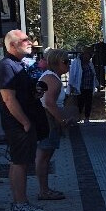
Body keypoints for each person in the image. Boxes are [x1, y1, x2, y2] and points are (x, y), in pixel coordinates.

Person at [0, 30, 49, 211]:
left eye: (29, 39)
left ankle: (19, 202)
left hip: (25, 121)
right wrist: (25, 122)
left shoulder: (19, 64)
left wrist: (35, 93)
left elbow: (23, 94)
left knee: (21, 161)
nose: (30, 42)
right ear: (11, 46)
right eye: (24, 40)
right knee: (20, 162)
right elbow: (9, 99)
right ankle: (20, 204)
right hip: (18, 124)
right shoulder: (6, 66)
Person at [34, 49, 72, 201]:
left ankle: (44, 189)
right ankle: (44, 191)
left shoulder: (51, 77)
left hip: (47, 120)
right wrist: (61, 121)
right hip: (48, 120)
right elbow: (49, 103)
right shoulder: (53, 79)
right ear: (57, 63)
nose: (69, 65)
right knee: (43, 156)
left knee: (44, 156)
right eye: (66, 62)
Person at [67, 46, 99, 124]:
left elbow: (93, 74)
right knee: (80, 103)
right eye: (89, 55)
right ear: (84, 54)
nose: (89, 57)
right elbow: (72, 75)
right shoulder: (76, 62)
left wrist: (97, 84)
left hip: (89, 86)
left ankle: (87, 118)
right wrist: (71, 85)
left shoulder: (90, 63)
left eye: (91, 56)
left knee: (88, 103)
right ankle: (77, 118)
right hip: (80, 87)